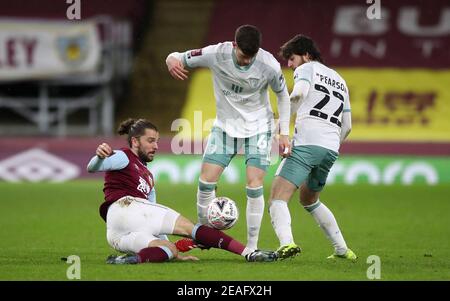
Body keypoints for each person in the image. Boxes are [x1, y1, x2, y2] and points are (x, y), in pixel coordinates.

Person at [165, 25, 291, 252]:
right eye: (243, 56)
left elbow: (283, 95)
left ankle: (252, 247)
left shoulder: (269, 64)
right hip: (225, 128)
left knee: (254, 185)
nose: (245, 62)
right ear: (234, 45)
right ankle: (204, 234)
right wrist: (170, 61)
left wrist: (284, 133)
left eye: (250, 57)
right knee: (206, 181)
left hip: (259, 128)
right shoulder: (216, 54)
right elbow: (178, 56)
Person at [87, 118, 278, 264]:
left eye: (157, 141)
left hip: (115, 230)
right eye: (150, 141)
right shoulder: (124, 156)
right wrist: (99, 156)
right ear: (135, 141)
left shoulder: (148, 176)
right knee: (192, 229)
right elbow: (93, 167)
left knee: (168, 249)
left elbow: (155, 219)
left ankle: (128, 260)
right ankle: (249, 253)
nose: (155, 146)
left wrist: (175, 252)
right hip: (128, 206)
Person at [268, 35, 357, 260]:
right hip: (330, 148)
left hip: (306, 142)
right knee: (309, 200)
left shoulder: (307, 69)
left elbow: (298, 94)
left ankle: (287, 244)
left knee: (277, 196)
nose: (289, 64)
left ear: (306, 55)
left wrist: (281, 130)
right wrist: (330, 144)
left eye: (291, 58)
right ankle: (342, 250)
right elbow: (347, 126)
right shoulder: (340, 79)